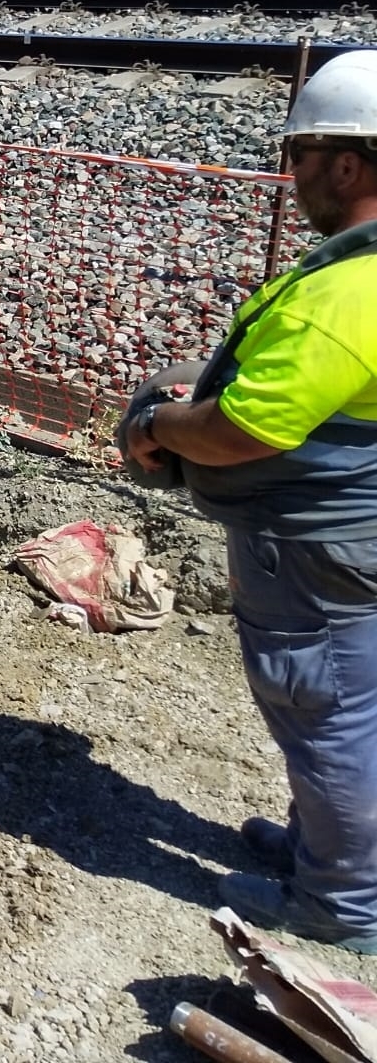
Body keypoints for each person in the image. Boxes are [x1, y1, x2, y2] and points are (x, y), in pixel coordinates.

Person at [126, 48, 377, 952]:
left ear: (347, 164)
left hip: (318, 543)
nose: (293, 173)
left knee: (327, 713)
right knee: (352, 702)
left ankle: (340, 907)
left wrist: (161, 425)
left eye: (303, 155)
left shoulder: (347, 295)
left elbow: (244, 432)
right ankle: (322, 851)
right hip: (356, 537)